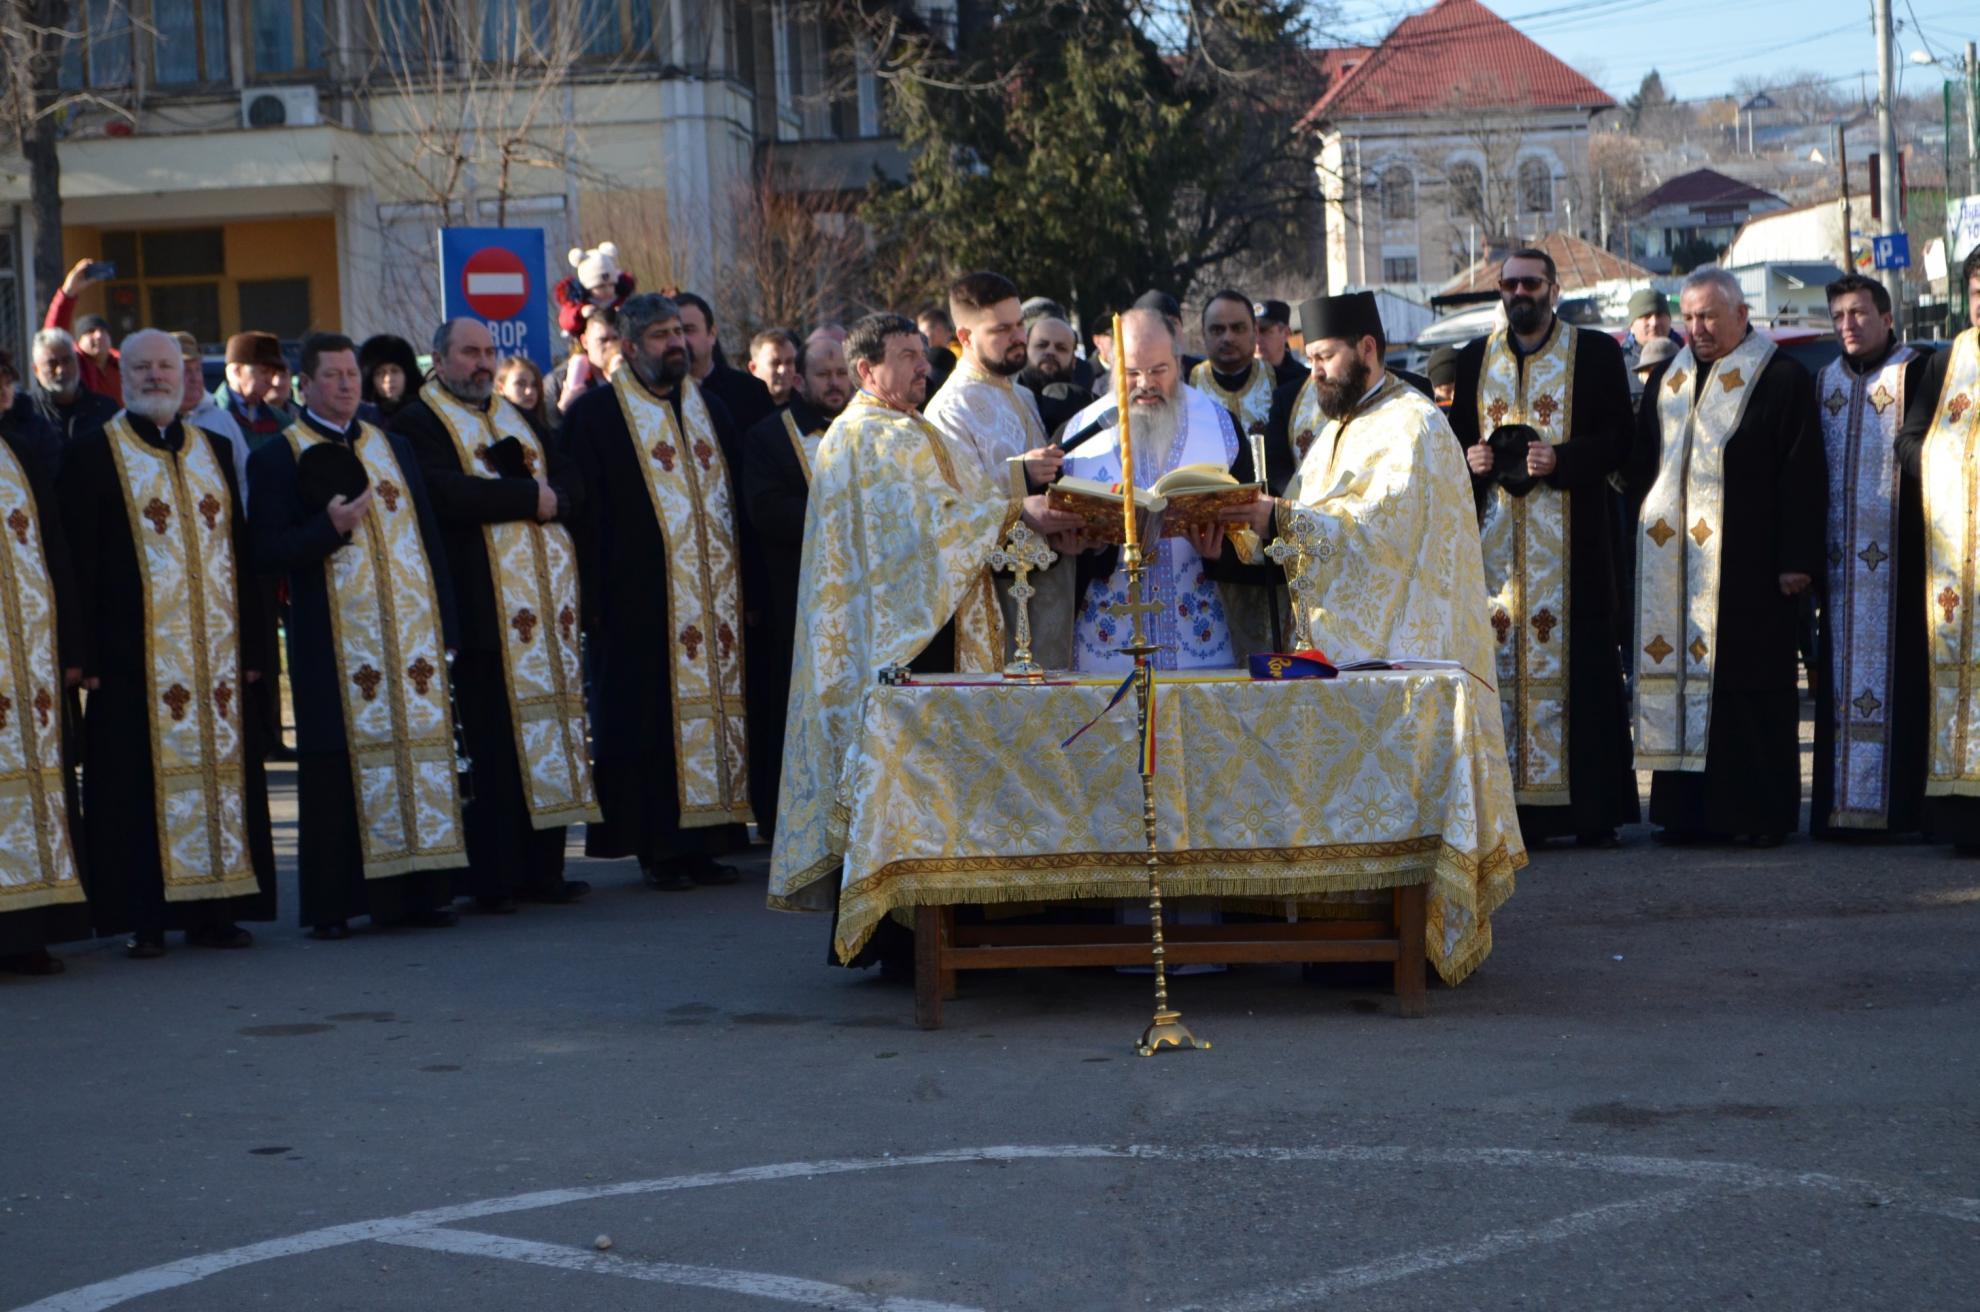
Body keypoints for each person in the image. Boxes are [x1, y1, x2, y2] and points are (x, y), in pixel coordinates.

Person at [1213, 290, 1519, 982]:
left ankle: (1392, 946)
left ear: (1369, 350)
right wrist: (1242, 526)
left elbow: (1374, 538)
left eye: (1324, 357)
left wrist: (1274, 516)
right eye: (1310, 358)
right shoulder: (1340, 426)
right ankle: (1340, 943)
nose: (1312, 370)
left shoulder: (1411, 426)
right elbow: (1314, 528)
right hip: (1341, 659)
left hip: (1400, 661)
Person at [767, 313, 1078, 944]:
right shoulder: (868, 437)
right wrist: (1021, 513)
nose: (920, 365)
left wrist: (1019, 515)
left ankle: (939, 929)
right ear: (866, 370)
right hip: (903, 640)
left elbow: (953, 513)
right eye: (905, 356)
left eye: (919, 353)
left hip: (919, 625)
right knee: (908, 792)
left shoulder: (904, 428)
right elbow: (925, 530)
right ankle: (905, 939)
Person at [59, 329, 276, 957]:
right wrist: (86, 657)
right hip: (132, 662)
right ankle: (145, 918)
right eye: (143, 367)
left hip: (218, 663)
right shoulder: (93, 453)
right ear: (123, 375)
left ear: (185, 374)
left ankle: (217, 909)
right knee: (136, 789)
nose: (157, 376)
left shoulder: (211, 446)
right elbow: (79, 563)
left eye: (167, 366)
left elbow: (241, 553)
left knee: (220, 780)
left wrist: (257, 650)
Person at [248, 333, 465, 938]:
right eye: (333, 375)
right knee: (335, 769)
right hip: (333, 645)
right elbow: (265, 552)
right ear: (306, 384)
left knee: (416, 758)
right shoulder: (278, 456)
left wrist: (446, 619)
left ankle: (421, 891)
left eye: (351, 374)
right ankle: (335, 905)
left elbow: (428, 541)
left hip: (411, 639)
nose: (346, 384)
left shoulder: (392, 446)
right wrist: (328, 527)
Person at [387, 318, 597, 910]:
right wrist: (529, 499)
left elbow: (569, 475)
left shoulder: (515, 415)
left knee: (547, 741)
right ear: (438, 358)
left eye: (488, 353)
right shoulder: (415, 422)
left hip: (544, 622)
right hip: (480, 616)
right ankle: (493, 879)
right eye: (469, 353)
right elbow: (443, 492)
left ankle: (544, 872)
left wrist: (555, 497)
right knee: (494, 752)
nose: (482, 363)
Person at [1625, 266, 1825, 847]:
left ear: (1741, 314)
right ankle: (1684, 813)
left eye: (1709, 316)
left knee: (1749, 692)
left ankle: (1755, 817)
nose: (1697, 328)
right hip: (1677, 574)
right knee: (1683, 686)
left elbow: (1802, 475)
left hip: (1753, 571)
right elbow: (1643, 462)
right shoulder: (1669, 378)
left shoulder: (1780, 377)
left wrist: (1797, 559)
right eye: (1688, 317)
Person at [562, 295, 753, 891]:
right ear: (630, 345)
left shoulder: (710, 408)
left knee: (712, 717)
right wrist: (593, 598)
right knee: (647, 725)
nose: (678, 344)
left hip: (712, 599)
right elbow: (583, 515)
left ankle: (706, 841)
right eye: (662, 335)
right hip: (637, 601)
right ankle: (658, 849)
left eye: (680, 332)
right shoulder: (596, 415)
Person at [1450, 248, 1639, 847]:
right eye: (1508, 285)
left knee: (1582, 671)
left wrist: (1564, 459)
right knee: (1498, 672)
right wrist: (1471, 461)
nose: (1518, 293)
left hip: (1575, 549)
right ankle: (1511, 816)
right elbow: (1453, 446)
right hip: (1496, 557)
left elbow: (1621, 440)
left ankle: (1590, 813)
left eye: (1530, 283)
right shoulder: (1476, 357)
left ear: (1553, 290)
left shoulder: (1596, 353)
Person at [1813, 273, 1935, 838]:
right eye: (1838, 316)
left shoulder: (1919, 371)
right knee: (1835, 685)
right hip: (1839, 571)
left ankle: (1903, 811)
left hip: (1906, 565)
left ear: (1886, 318)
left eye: (1859, 314)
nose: (1848, 325)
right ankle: (1841, 810)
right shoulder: (1823, 383)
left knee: (1907, 681)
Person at [1058, 308, 1246, 672]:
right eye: (1131, 373)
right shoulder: (1079, 433)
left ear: (1177, 361)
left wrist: (1220, 551)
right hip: (1108, 646)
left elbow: (1251, 539)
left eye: (1159, 370)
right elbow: (1060, 551)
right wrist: (1082, 548)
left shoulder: (1221, 426)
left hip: (1201, 641)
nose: (1145, 383)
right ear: (1113, 368)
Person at [924, 271, 1074, 669]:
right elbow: (954, 512)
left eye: (1020, 324)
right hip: (999, 605)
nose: (1018, 337)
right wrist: (1019, 475)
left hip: (1052, 590)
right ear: (967, 337)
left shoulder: (1022, 394)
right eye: (1002, 329)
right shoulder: (949, 409)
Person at [740, 332, 854, 843]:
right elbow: (766, 510)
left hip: (861, 604)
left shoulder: (869, 431)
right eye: (825, 375)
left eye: (842, 373)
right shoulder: (767, 436)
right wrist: (843, 513)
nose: (835, 384)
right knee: (791, 716)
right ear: (801, 379)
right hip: (795, 602)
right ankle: (789, 824)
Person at [0, 348, 90, 975]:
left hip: (29, 656)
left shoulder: (25, 449)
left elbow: (57, 546)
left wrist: (73, 647)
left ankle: (33, 930)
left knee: (38, 790)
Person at [1895, 245, 1980, 847]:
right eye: (1976, 293)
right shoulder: (1945, 362)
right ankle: (1961, 817)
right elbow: (1909, 440)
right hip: (1954, 561)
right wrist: (1950, 469)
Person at [1190, 291, 1277, 462]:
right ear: (1204, 334)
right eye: (1217, 330)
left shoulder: (1281, 381)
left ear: (1255, 330)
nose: (1228, 337)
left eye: (1238, 328)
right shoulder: (1186, 386)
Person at [677, 292, 773, 437]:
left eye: (689, 330)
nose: (681, 340)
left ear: (712, 333)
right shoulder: (663, 396)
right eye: (676, 332)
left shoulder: (751, 391)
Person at [42, 260, 122, 402]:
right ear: (77, 341)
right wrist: (68, 292)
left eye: (103, 330)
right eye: (90, 331)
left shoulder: (124, 364)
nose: (98, 335)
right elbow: (53, 336)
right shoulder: (74, 364)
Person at [28, 328, 120, 444]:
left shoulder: (105, 409)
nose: (61, 370)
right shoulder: (25, 413)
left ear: (77, 361)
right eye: (52, 364)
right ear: (36, 370)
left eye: (67, 361)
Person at [1020, 315, 1089, 437]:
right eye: (1042, 345)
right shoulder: (1005, 399)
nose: (1050, 351)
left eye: (1061, 348)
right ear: (1025, 350)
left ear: (1073, 361)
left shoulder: (1084, 408)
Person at [557, 307, 621, 414]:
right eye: (603, 340)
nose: (610, 346)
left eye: (615, 339)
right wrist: (564, 408)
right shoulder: (557, 382)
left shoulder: (637, 377)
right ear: (585, 341)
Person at [1622, 288, 1679, 402]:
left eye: (1659, 315)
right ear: (1631, 326)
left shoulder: (1686, 357)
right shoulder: (1619, 364)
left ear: (1669, 319)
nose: (1654, 322)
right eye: (1646, 316)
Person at [358, 334, 421, 423]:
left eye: (395, 371)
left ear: (407, 374)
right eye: (380, 373)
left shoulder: (425, 413)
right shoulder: (360, 420)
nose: (388, 379)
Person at [1254, 299, 1308, 389]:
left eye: (1264, 331)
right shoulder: (1237, 378)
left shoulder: (1304, 381)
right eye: (1253, 331)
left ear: (1286, 333)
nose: (1257, 339)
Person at [745, 329, 800, 409]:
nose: (783, 370)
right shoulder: (742, 411)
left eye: (789, 362)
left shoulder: (811, 409)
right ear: (753, 368)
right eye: (775, 363)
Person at [917, 306, 960, 393]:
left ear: (938, 330)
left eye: (923, 333)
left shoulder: (961, 359)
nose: (920, 338)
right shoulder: (920, 361)